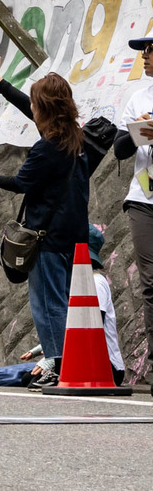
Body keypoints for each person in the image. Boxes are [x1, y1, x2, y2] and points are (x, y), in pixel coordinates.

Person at [0, 51, 89, 389]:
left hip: (47, 237)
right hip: (74, 235)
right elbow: (34, 111)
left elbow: (22, 183)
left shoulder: (46, 150)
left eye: (37, 106)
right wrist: (1, 85)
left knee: (47, 303)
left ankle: (57, 364)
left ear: (47, 112)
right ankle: (68, 361)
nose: (33, 110)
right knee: (64, 301)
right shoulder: (74, 137)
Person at [21, 224, 126, 387]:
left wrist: (55, 360)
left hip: (104, 366)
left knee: (35, 381)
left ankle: (58, 368)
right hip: (85, 358)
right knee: (28, 379)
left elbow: (88, 332)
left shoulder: (96, 283)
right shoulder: (77, 284)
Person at [113, 35, 153, 392]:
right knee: (152, 284)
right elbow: (119, 150)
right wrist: (138, 130)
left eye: (150, 50)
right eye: (143, 51)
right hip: (144, 199)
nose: (145, 56)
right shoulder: (139, 99)